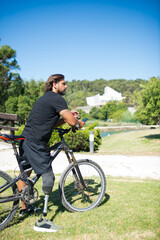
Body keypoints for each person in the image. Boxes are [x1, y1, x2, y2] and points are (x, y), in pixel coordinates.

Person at [18, 74, 85, 232]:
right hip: (36, 143)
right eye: (63, 83)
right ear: (54, 84)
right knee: (48, 175)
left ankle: (23, 208)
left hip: (25, 139)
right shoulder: (57, 99)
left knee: (24, 173)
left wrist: (68, 116)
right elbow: (71, 122)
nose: (66, 86)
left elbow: (52, 122)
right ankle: (43, 221)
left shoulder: (45, 98)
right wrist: (78, 123)